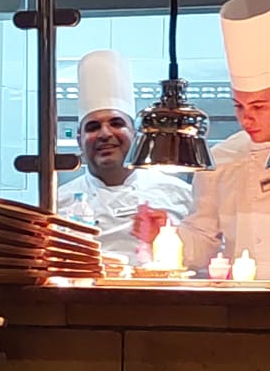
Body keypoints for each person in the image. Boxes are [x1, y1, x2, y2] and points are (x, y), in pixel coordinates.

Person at [178, 0, 270, 281]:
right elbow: (202, 241)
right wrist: (164, 235)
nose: (246, 118)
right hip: (248, 301)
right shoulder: (223, 158)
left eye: (258, 106)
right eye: (238, 106)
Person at [58, 50, 192, 263]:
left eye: (116, 123)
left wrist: (169, 239)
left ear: (136, 134)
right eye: (93, 127)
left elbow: (208, 262)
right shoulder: (58, 203)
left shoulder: (181, 195)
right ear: (79, 140)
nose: (105, 134)